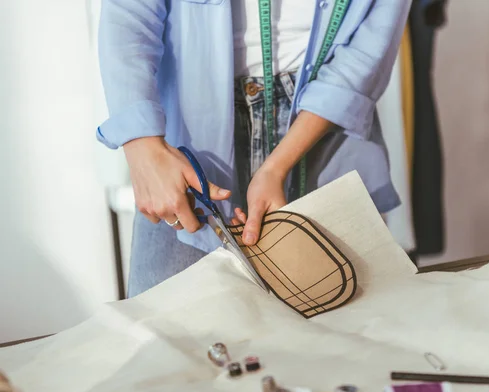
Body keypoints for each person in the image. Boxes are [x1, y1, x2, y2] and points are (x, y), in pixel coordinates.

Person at [97, 0, 411, 297]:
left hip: (324, 135)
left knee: (348, 336)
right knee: (170, 342)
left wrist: (277, 166)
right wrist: (143, 149)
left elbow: (370, 45)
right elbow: (129, 15)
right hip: (191, 147)